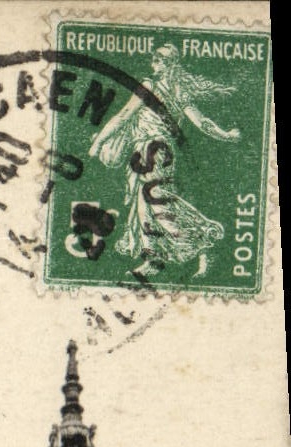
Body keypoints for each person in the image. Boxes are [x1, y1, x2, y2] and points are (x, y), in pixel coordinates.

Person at [89, 44, 240, 278]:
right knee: (146, 206)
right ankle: (155, 259)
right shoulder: (180, 92)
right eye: (154, 57)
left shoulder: (149, 86)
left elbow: (123, 115)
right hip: (160, 152)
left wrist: (98, 142)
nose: (154, 61)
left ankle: (204, 240)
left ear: (170, 64)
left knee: (157, 205)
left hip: (151, 151)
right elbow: (203, 123)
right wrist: (225, 134)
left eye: (159, 58)